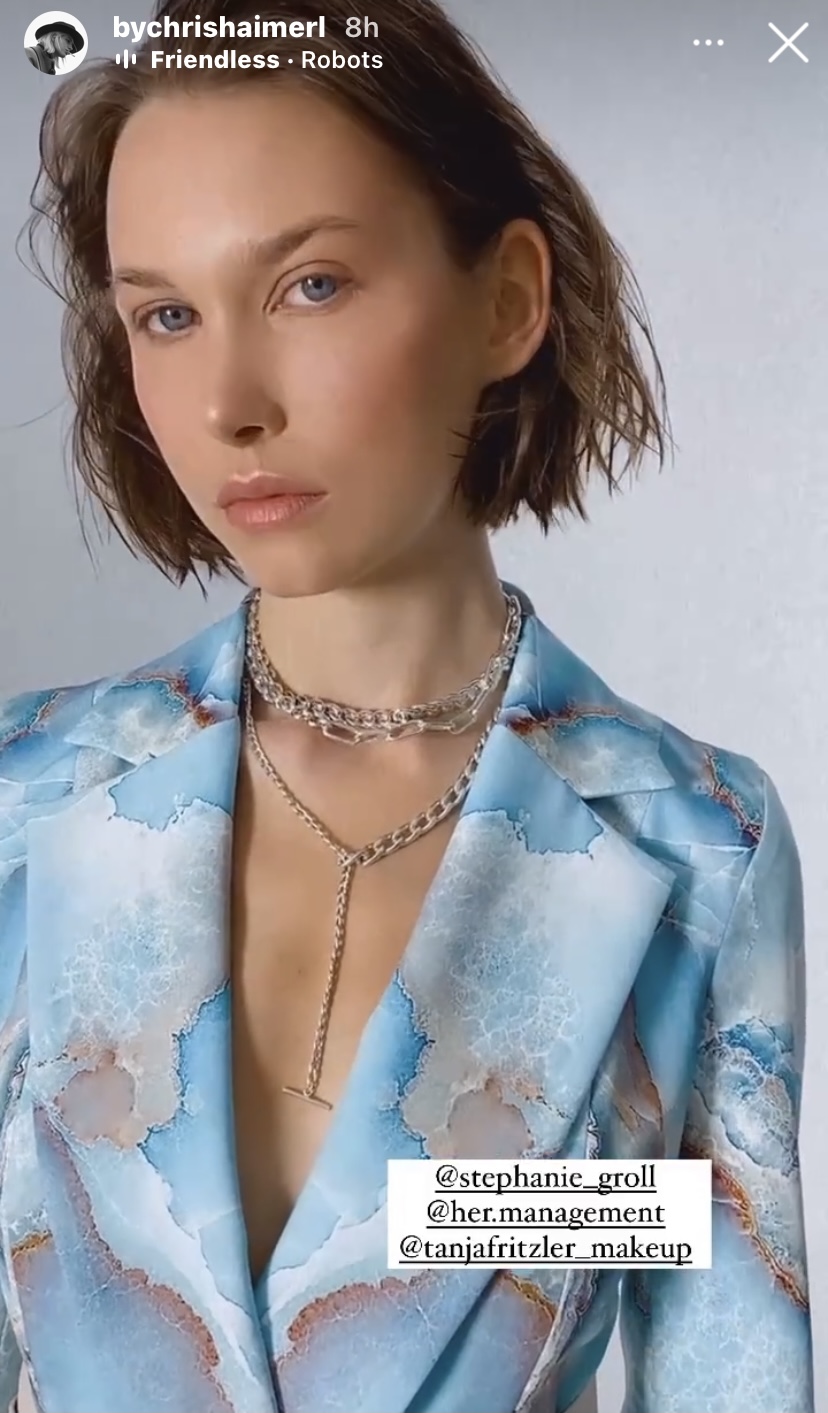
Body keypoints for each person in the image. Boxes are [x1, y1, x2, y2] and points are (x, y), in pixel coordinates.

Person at [0, 0, 813, 1410]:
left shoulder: (694, 842)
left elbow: (723, 1372)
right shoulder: (28, 794)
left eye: (311, 285)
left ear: (507, 300)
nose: (230, 403)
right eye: (167, 315)